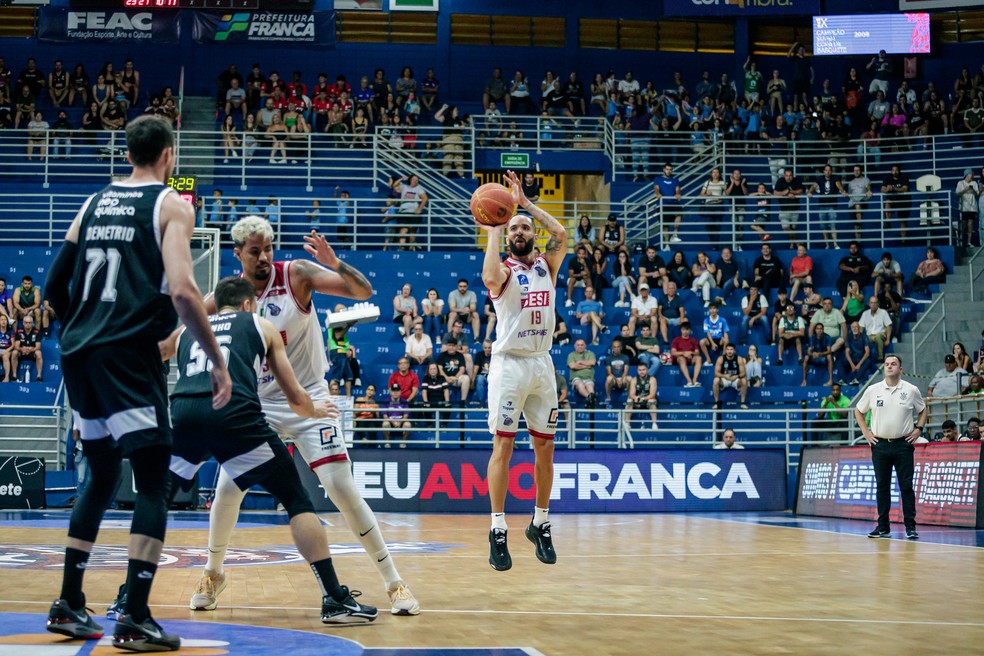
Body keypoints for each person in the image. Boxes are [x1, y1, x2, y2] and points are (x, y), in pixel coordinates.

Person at [43, 116, 233, 650]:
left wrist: (81, 327)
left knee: (100, 474)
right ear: (169, 156)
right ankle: (136, 614)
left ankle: (68, 602)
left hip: (78, 353)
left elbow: (58, 281)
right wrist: (217, 360)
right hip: (128, 357)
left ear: (128, 154)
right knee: (153, 482)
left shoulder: (92, 204)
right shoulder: (172, 204)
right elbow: (183, 289)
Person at [185, 216, 419, 616]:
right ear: (237, 253)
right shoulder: (228, 294)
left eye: (268, 249)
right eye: (254, 251)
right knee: (226, 491)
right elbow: (186, 325)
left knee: (342, 490)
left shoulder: (296, 275)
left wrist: (335, 262)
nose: (263, 257)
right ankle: (212, 572)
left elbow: (365, 290)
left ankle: (393, 581)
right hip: (257, 404)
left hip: (309, 397)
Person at [164, 277, 376, 624]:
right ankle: (334, 597)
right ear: (249, 304)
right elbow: (296, 399)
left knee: (158, 500)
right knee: (296, 499)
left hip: (185, 414)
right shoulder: (260, 324)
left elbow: (159, 352)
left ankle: (129, 596)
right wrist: (317, 409)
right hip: (236, 417)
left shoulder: (190, 328)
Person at [479, 169, 567, 572]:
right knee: (504, 445)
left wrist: (526, 205)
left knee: (545, 448)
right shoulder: (505, 271)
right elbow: (488, 275)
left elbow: (563, 235)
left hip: (542, 363)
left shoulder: (547, 265)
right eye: (513, 226)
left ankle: (540, 521)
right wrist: (494, 224)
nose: (518, 230)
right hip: (510, 365)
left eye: (523, 227)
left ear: (531, 234)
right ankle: (498, 529)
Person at [854, 354, 926, 540]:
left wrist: (919, 428)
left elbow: (923, 409)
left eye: (893, 364)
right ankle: (883, 526)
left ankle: (910, 526)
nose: (889, 367)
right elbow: (858, 411)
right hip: (880, 444)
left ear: (900, 369)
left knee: (906, 486)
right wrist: (866, 433)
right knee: (882, 486)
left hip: (903, 444)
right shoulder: (873, 389)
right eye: (887, 364)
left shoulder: (911, 390)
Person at [436, 336, 471, 403]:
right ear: (447, 346)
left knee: (466, 378)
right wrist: (446, 378)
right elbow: (439, 369)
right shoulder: (442, 355)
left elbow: (462, 369)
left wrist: (455, 377)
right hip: (444, 379)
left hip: (456, 379)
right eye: (449, 345)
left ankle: (463, 402)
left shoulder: (460, 355)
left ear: (456, 347)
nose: (451, 347)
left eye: (453, 346)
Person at [713, 343, 747, 409]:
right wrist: (724, 376)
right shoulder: (721, 358)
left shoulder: (739, 358)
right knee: (716, 380)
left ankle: (742, 403)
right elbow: (716, 373)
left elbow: (743, 373)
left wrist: (737, 376)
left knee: (744, 380)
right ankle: (717, 403)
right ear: (725, 351)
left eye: (731, 349)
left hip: (735, 379)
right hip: (724, 379)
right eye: (728, 349)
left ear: (734, 351)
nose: (729, 351)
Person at [859, 295, 892, 362]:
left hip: (881, 334)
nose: (873, 304)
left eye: (875, 303)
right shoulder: (865, 314)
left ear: (878, 304)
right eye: (872, 303)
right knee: (863, 339)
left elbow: (889, 326)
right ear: (869, 304)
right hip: (869, 336)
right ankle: (862, 358)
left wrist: (888, 339)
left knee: (878, 336)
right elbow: (861, 328)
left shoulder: (883, 312)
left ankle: (880, 358)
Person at [447, 278, 481, 343]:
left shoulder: (472, 294)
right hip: (457, 316)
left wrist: (469, 310)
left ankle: (476, 339)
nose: (462, 288)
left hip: (468, 316)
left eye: (464, 286)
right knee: (452, 314)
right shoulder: (452, 294)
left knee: (475, 314)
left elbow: (473, 308)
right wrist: (463, 309)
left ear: (467, 287)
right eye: (460, 286)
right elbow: (452, 308)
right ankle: (449, 337)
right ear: (458, 286)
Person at [627, 362, 659, 430]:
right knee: (629, 400)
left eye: (643, 370)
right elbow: (631, 394)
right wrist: (635, 397)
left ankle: (654, 424)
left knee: (652, 401)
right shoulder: (634, 380)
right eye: (640, 370)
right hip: (638, 401)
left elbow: (652, 394)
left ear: (647, 370)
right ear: (637, 371)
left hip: (648, 400)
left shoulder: (652, 379)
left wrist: (644, 398)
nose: (641, 372)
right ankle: (627, 424)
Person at [11, 314, 42, 382]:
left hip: (32, 352)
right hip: (22, 352)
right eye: (26, 322)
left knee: (38, 353)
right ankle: (14, 376)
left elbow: (38, 347)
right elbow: (16, 346)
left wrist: (31, 350)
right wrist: (22, 349)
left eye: (29, 323)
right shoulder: (19, 331)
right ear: (23, 323)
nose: (28, 324)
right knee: (14, 352)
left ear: (32, 323)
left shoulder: (36, 331)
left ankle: (39, 376)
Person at [567, 338, 598, 407]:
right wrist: (587, 366)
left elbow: (593, 362)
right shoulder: (571, 355)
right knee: (580, 384)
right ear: (575, 346)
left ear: (585, 346)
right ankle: (589, 398)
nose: (580, 346)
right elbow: (572, 366)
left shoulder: (590, 354)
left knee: (590, 388)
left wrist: (580, 362)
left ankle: (590, 400)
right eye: (578, 345)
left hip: (589, 378)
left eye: (582, 345)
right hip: (576, 379)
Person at [671, 321, 702, 387]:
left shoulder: (693, 340)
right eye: (683, 329)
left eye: (687, 329)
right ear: (681, 330)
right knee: (681, 359)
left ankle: (695, 380)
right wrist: (684, 353)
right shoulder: (676, 340)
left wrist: (691, 353)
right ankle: (689, 381)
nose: (685, 331)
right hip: (680, 358)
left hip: (691, 358)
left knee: (699, 358)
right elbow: (673, 352)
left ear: (690, 330)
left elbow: (697, 352)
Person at [604, 338, 632, 405]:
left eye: (618, 347)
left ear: (621, 348)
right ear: (612, 348)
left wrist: (621, 380)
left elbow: (625, 371)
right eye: (614, 347)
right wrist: (616, 380)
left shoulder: (625, 357)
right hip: (613, 378)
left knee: (630, 379)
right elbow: (609, 372)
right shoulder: (608, 358)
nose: (616, 349)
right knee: (608, 378)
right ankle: (608, 398)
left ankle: (629, 399)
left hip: (622, 378)